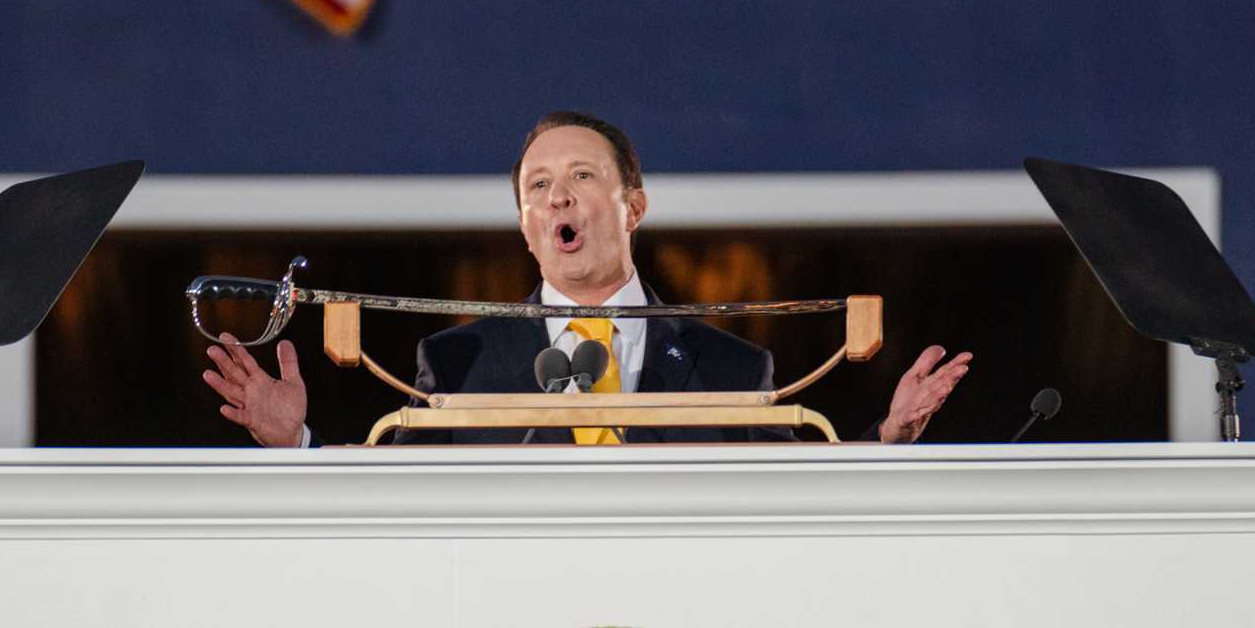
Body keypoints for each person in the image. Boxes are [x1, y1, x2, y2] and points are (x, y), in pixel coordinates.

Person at [202, 112, 972, 446]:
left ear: (633, 205)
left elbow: (805, 498)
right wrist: (297, 441)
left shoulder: (734, 369)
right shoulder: (459, 364)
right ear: (525, 227)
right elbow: (399, 507)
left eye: (578, 176)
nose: (556, 197)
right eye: (536, 187)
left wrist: (889, 434)